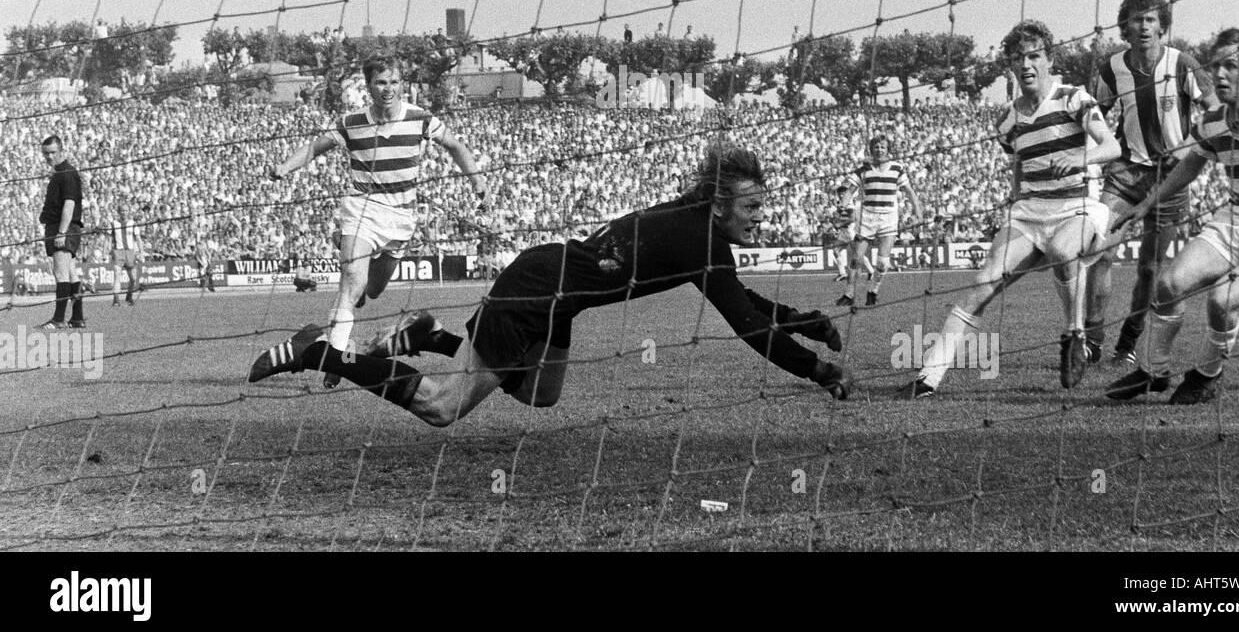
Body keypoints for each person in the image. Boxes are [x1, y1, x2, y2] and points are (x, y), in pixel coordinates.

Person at [248, 145, 854, 422]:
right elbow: (747, 325)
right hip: (537, 290)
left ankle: (431, 335)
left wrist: (812, 324)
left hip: (555, 290)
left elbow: (744, 304)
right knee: (440, 407)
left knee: (540, 397)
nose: (758, 218)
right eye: (751, 207)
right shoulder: (702, 240)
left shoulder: (697, 229)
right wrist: (817, 369)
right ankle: (318, 351)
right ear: (721, 203)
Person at [898, 20, 1122, 398]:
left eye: (1034, 56)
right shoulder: (1008, 119)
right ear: (1011, 67)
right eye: (1018, 59)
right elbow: (1018, 161)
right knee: (981, 286)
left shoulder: (1074, 98)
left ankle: (1075, 335)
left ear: (1049, 60)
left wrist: (1080, 157)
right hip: (1028, 214)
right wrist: (1017, 196)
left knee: (1063, 251)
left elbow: (1111, 147)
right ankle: (927, 379)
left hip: (1076, 207)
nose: (1027, 65)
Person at [256, 54, 490, 386]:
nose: (388, 89)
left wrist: (478, 181)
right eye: (381, 82)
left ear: (402, 84)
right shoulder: (351, 122)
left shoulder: (420, 119)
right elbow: (315, 147)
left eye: (394, 82)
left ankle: (342, 338)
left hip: (401, 220)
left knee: (372, 291)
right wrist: (285, 167)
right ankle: (336, 363)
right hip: (362, 210)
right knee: (351, 281)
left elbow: (455, 146)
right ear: (368, 85)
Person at [1105, 29, 1239, 403]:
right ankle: (1153, 371)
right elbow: (1189, 166)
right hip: (1235, 220)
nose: (1220, 75)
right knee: (1169, 282)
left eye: (1231, 66)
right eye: (1217, 67)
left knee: (1221, 300)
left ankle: (1207, 374)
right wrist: (1144, 205)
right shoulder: (1212, 121)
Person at [1084, 0, 1215, 365]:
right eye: (1136, 19)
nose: (1144, 26)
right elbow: (1095, 117)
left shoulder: (1183, 63)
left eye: (1151, 19)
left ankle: (1126, 343)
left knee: (1149, 269)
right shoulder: (1112, 68)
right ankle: (1092, 339)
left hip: (1171, 180)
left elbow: (1214, 107)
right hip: (1125, 174)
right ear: (1125, 25)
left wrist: (1195, 142)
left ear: (1162, 26)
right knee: (1100, 250)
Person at [836, 136, 924, 308]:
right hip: (867, 217)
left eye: (882, 147)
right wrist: (842, 205)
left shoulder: (897, 169)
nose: (879, 149)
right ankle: (849, 294)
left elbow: (909, 192)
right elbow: (850, 190)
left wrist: (919, 213)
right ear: (871, 150)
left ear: (887, 150)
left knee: (883, 262)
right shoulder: (863, 170)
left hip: (888, 217)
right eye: (876, 146)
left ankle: (872, 291)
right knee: (856, 258)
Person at [37, 135, 87, 330]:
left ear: (61, 151)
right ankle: (77, 318)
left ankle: (58, 319)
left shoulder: (66, 173)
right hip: (62, 227)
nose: (49, 157)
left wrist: (61, 232)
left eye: (52, 153)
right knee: (71, 273)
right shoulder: (61, 173)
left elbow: (69, 203)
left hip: (62, 227)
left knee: (60, 273)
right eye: (45, 153)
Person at [109, 204, 142, 306]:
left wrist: (141, 252)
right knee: (117, 275)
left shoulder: (133, 223)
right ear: (119, 212)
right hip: (118, 252)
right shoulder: (114, 224)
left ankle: (129, 296)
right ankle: (116, 300)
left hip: (130, 252)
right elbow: (109, 239)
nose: (124, 212)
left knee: (133, 278)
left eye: (126, 210)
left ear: (129, 211)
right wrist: (107, 251)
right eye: (122, 210)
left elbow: (138, 239)